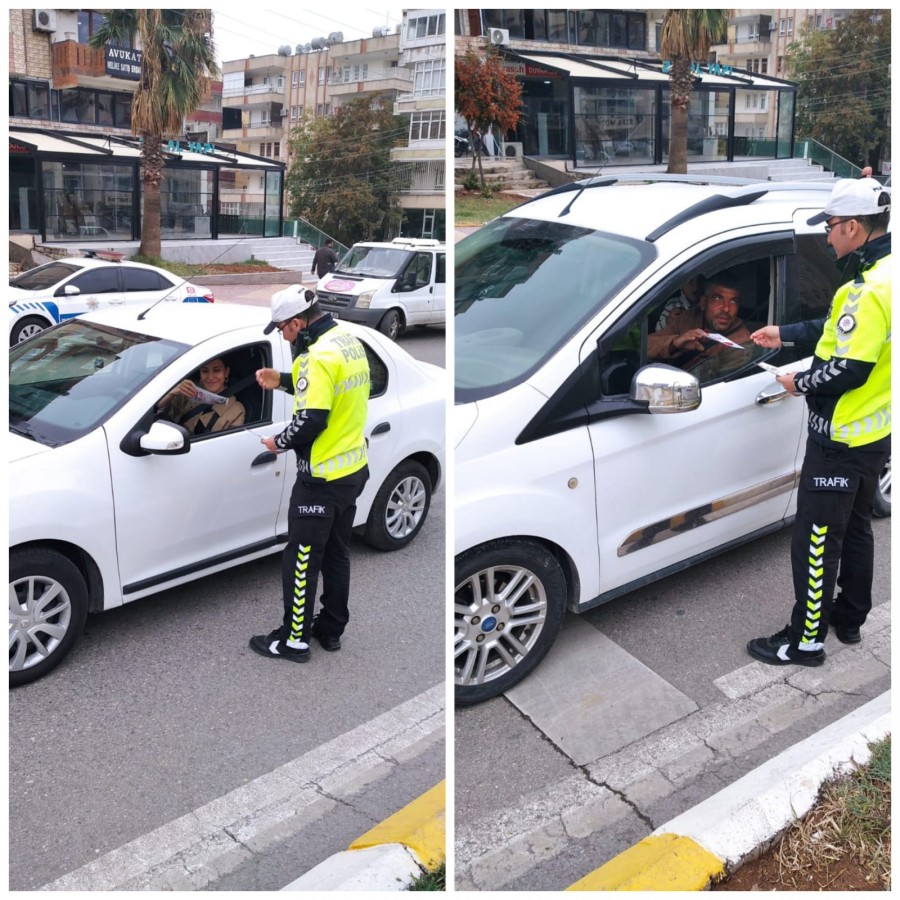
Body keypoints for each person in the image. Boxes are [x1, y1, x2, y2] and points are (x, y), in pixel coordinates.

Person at [747, 177, 891, 667]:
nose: (826, 237)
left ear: (853, 227)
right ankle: (849, 621)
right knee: (856, 531)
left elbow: (849, 368)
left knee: (815, 541)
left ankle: (804, 642)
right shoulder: (887, 273)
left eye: (830, 227)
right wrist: (784, 334)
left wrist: (797, 383)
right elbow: (840, 332)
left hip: (838, 440)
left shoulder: (864, 290)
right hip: (873, 433)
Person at [249, 286, 370, 663]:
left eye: (283, 330)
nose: (284, 338)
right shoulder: (347, 341)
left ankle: (294, 640)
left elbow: (311, 420)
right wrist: (283, 380)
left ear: (298, 324)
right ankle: (331, 629)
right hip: (352, 471)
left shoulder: (315, 357)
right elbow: (329, 390)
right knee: (336, 554)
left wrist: (277, 442)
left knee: (301, 560)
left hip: (319, 481)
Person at [647, 270, 758, 374]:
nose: (726, 309)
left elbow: (721, 383)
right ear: (703, 302)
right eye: (717, 299)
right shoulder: (688, 317)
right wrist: (675, 343)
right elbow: (646, 346)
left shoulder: (740, 342)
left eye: (733, 301)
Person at [156, 357, 245, 434]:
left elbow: (230, 443)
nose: (210, 377)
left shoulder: (236, 409)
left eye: (217, 370)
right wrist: (171, 393)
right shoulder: (189, 390)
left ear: (226, 372)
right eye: (205, 371)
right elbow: (159, 409)